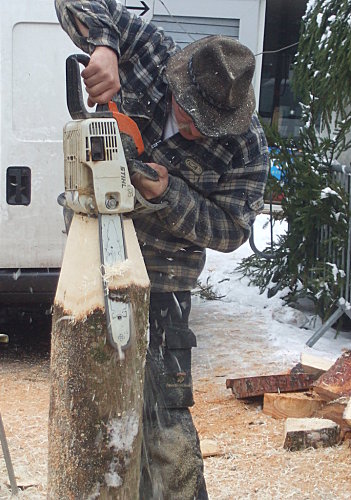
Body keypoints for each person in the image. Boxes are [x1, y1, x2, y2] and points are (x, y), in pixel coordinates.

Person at [55, 1, 269, 498]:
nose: (193, 132)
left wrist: (166, 193)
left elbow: (231, 229)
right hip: (90, 258)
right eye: (190, 117)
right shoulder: (150, 52)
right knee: (92, 402)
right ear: (179, 82)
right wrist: (104, 45)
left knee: (163, 418)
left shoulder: (247, 148)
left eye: (207, 128)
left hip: (165, 280)